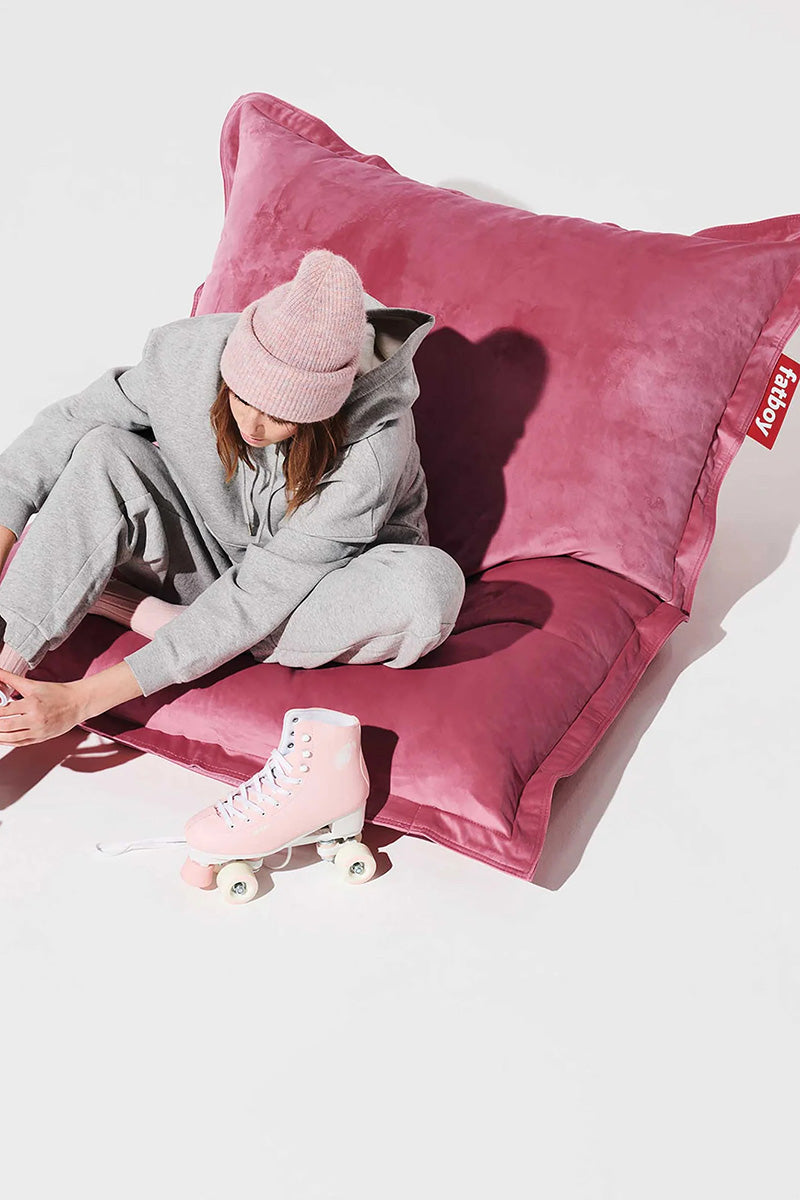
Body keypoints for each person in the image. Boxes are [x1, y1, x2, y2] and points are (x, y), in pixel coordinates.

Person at [0, 248, 466, 747]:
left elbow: (260, 595)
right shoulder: (186, 356)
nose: (253, 426)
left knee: (427, 591)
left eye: (283, 416)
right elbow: (69, 423)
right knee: (103, 450)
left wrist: (81, 701)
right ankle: (6, 657)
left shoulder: (372, 449)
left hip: (318, 589)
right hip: (211, 555)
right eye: (242, 397)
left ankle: (152, 615)